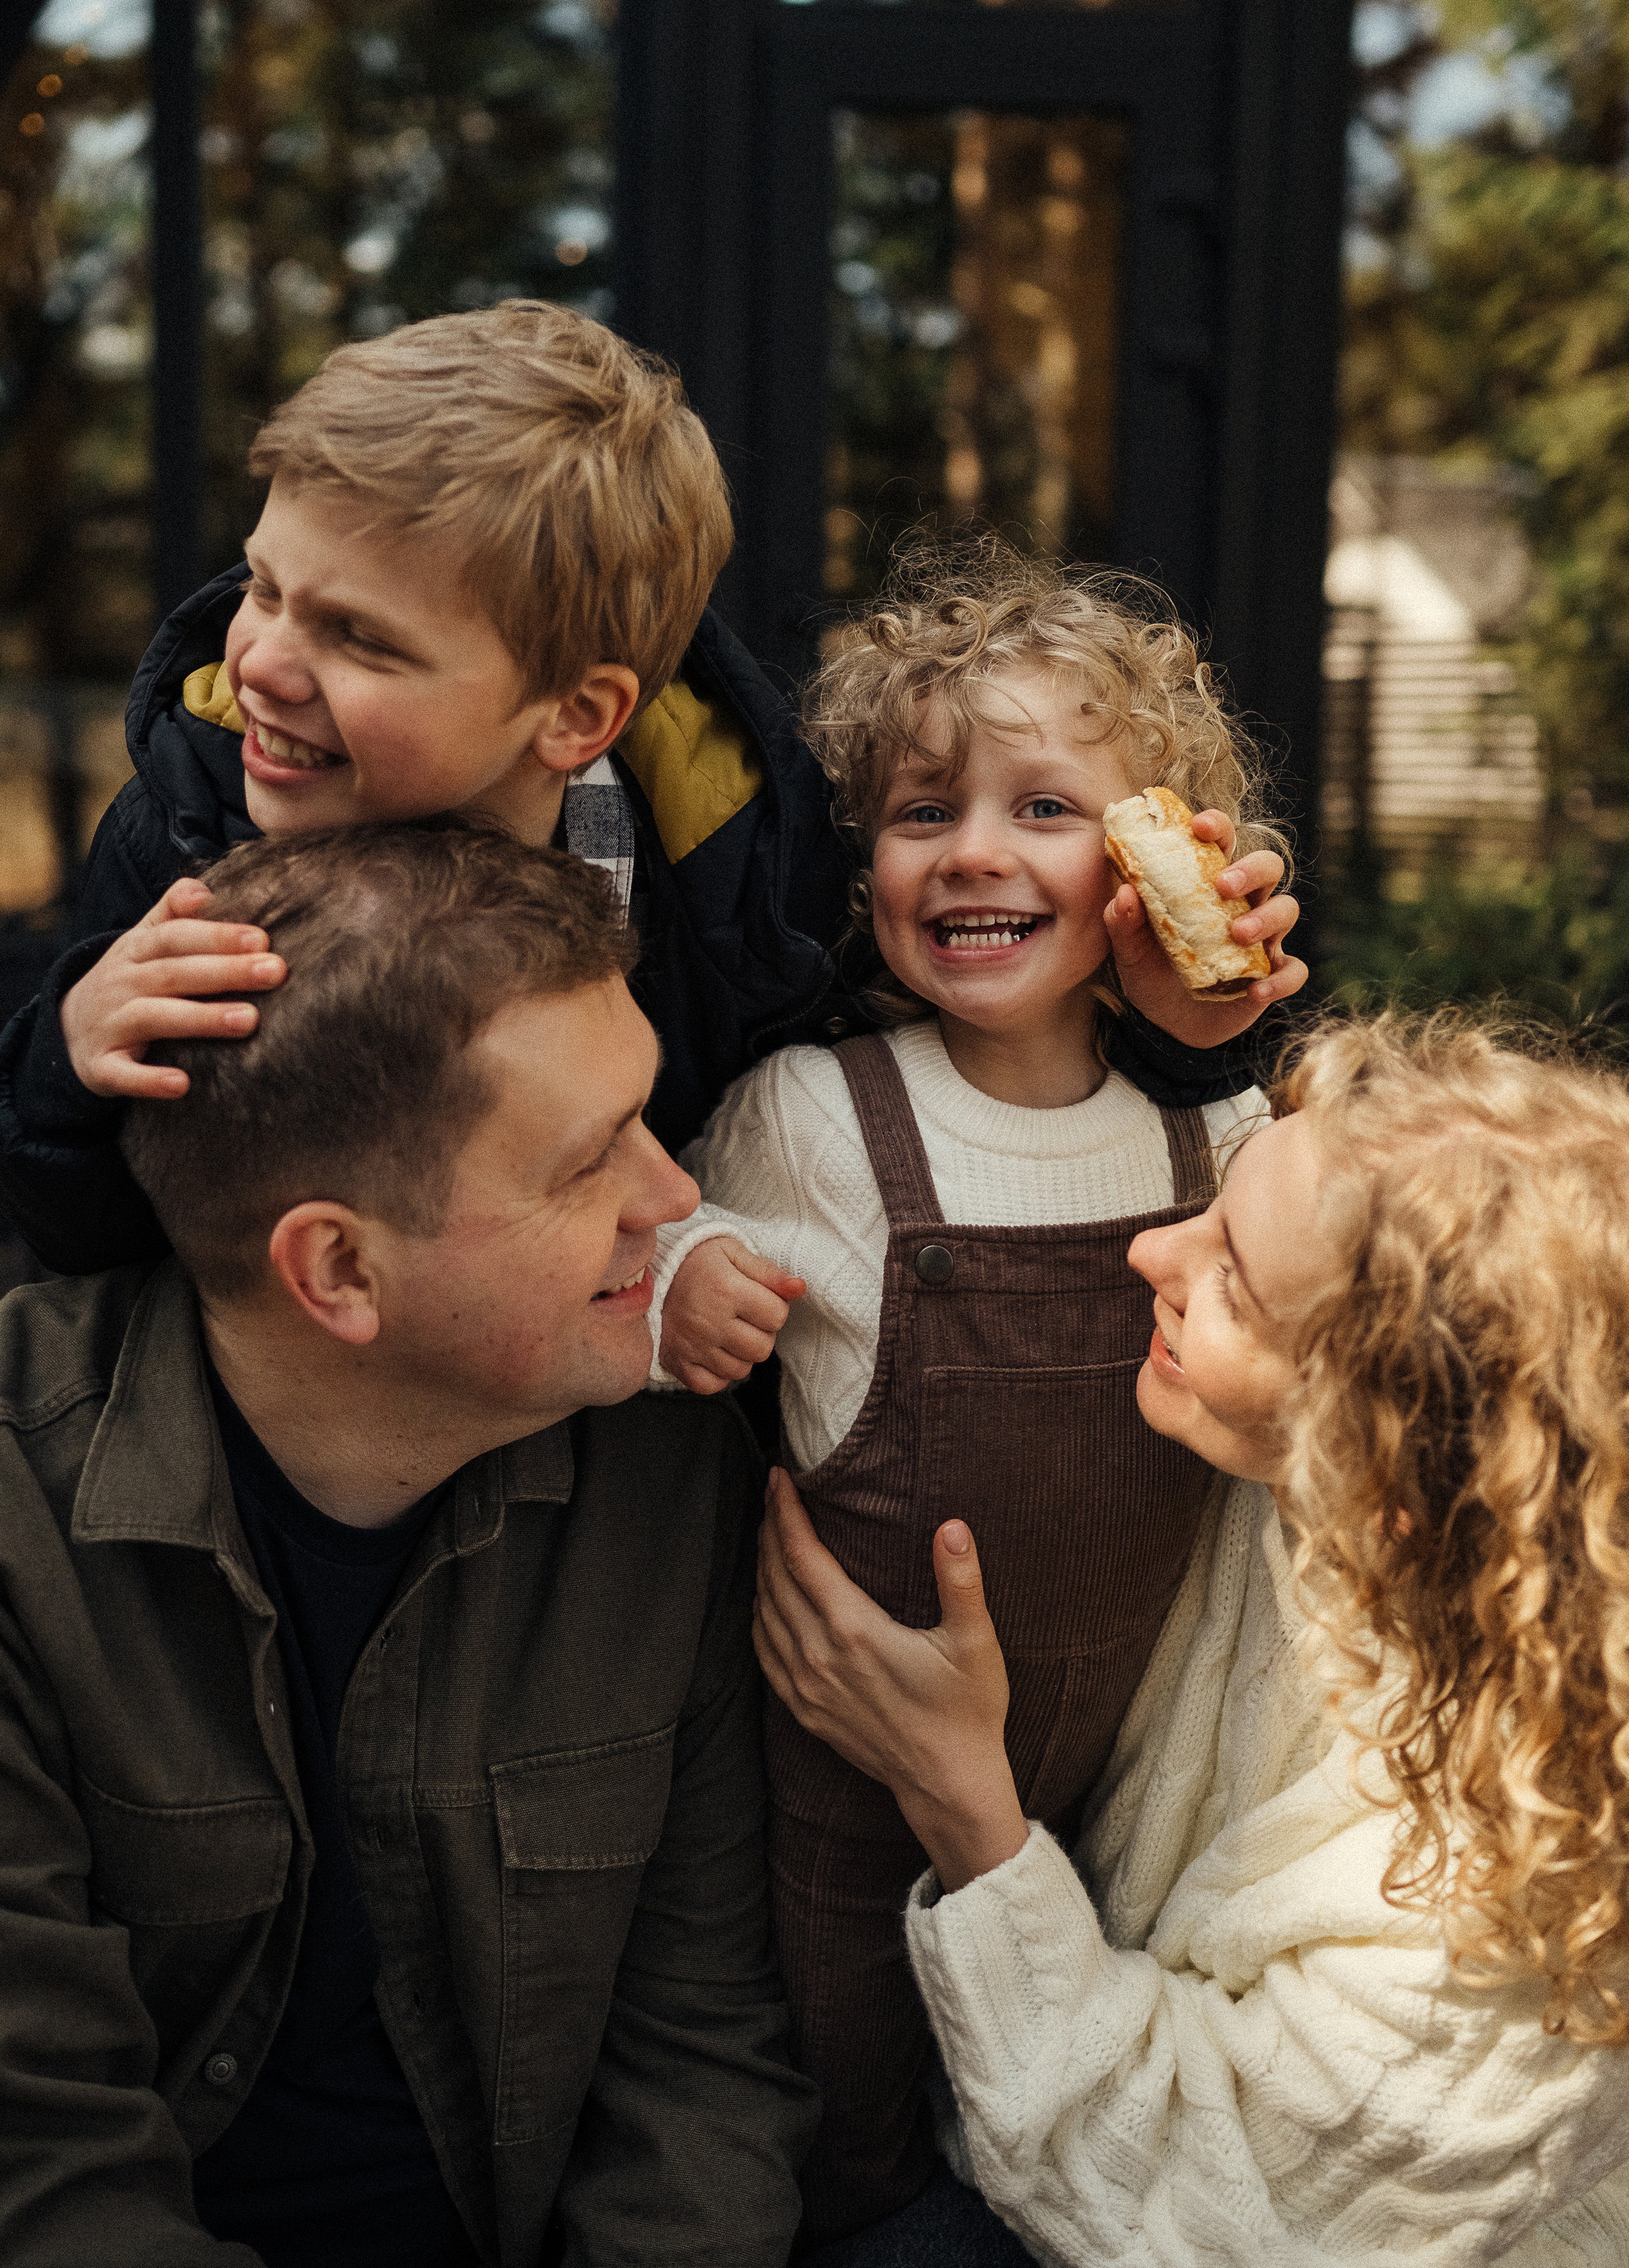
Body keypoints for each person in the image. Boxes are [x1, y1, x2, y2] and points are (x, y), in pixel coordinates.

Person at [0, 307, 1294, 1281]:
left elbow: (971, 1079)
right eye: (263, 587)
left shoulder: (737, 872)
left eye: (364, 639)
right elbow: (76, 1236)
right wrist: (69, 1063)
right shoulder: (184, 840)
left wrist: (1186, 1036)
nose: (264, 659)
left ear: (576, 717)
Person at [0, 817, 816, 2268]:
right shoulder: (21, 1526)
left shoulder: (667, 1470)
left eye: (645, 1116)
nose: (674, 1197)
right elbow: (47, 2174)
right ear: (338, 1269)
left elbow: (700, 2066)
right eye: (586, 1167)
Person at [645, 546, 1301, 2244]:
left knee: (1056, 2148)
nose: (976, 852)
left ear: (1155, 861)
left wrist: (1226, 1028)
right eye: (923, 810)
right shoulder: (812, 1111)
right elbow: (651, 1228)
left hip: (1130, 1792)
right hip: (844, 1801)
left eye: (1047, 809)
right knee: (855, 2173)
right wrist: (680, 1277)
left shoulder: (1218, 1139)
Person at [756, 1013, 1629, 2267]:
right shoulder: (1346, 1508)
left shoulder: (1529, 1907)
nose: (1150, 1249)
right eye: (1210, 1207)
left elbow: (1191, 2195)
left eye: (1232, 1281)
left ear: (1389, 1458)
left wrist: (958, 1795)